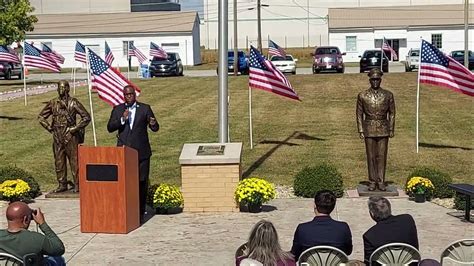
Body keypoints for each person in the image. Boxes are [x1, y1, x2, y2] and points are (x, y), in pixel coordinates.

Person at [107, 85, 159, 222]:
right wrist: (122, 120)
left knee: (141, 182)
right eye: (126, 95)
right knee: (124, 183)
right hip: (123, 153)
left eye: (130, 94)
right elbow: (110, 127)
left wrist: (153, 123)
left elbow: (155, 127)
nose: (128, 97)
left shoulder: (145, 109)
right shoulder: (118, 110)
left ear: (134, 95)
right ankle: (125, 211)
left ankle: (140, 213)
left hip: (141, 153)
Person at [38, 80, 91, 193]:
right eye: (59, 88)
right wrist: (49, 128)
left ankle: (77, 184)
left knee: (74, 161)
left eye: (63, 87)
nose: (60, 90)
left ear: (67, 89)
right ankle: (62, 184)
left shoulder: (73, 103)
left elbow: (86, 117)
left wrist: (75, 129)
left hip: (70, 134)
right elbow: (41, 117)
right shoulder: (53, 103)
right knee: (59, 161)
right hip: (57, 134)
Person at [356, 68, 396, 191]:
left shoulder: (388, 95)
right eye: (373, 79)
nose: (375, 82)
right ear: (369, 80)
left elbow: (392, 113)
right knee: (371, 156)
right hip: (369, 128)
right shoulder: (362, 95)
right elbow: (359, 114)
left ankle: (381, 181)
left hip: (383, 127)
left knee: (382, 156)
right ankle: (372, 181)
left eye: (377, 79)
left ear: (380, 80)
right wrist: (361, 130)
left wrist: (391, 129)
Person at [291, 190, 352, 260]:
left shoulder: (302, 229)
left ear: (315, 205)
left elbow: (295, 254)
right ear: (333, 207)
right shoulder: (343, 228)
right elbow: (348, 251)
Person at [0, 201, 65, 265]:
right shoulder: (36, 239)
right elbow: (59, 249)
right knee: (58, 259)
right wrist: (42, 223)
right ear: (26, 219)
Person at [363, 196, 419, 265]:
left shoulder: (369, 236)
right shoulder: (407, 220)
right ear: (389, 208)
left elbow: (369, 262)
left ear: (372, 214)